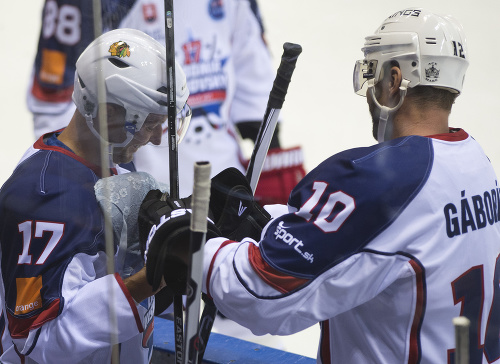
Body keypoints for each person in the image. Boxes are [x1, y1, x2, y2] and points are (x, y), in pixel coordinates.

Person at [139, 8, 500, 363]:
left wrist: (190, 239)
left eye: (372, 73)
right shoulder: (476, 165)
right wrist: (271, 224)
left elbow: (263, 293)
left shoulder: (383, 178)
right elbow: (375, 245)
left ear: (393, 81)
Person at [0, 28, 190, 363]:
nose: (158, 139)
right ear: (109, 113)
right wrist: (148, 281)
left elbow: (105, 278)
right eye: (149, 125)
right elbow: (36, 339)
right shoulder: (46, 196)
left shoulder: (107, 167)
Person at [27, 0, 306, 204]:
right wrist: (97, 196)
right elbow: (55, 107)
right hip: (130, 203)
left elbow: (252, 87)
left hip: (223, 193)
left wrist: (268, 163)